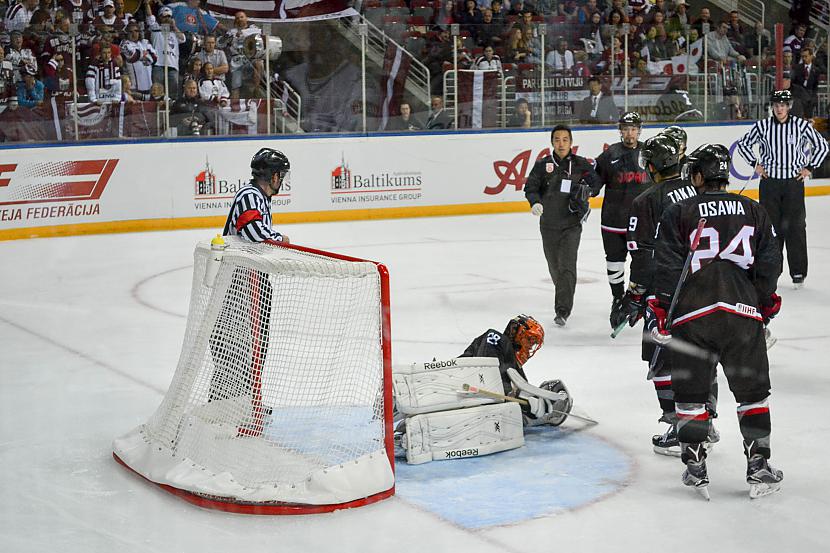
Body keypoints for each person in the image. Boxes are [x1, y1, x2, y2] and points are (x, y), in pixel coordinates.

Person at [651, 144, 783, 499]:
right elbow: (769, 264)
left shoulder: (679, 211)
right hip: (742, 314)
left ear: (697, 176)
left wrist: (662, 311)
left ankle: (695, 466)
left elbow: (665, 267)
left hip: (693, 314)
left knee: (692, 394)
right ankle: (758, 467)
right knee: (753, 394)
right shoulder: (754, 210)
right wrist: (763, 305)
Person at [624, 131, 719, 456]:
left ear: (651, 166)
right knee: (702, 356)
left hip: (667, 295)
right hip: (707, 288)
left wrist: (633, 297)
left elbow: (643, 260)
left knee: (662, 360)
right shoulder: (696, 191)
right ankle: (705, 419)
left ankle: (680, 429)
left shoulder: (646, 201)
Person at [735, 89, 829, 289]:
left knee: (796, 228)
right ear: (772, 107)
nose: (780, 108)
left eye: (783, 105)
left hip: (793, 184)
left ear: (789, 106)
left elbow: (822, 146)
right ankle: (770, 271)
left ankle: (798, 273)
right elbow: (743, 145)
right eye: (776, 105)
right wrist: (755, 164)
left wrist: (809, 168)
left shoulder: (800, 126)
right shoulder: (763, 126)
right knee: (770, 229)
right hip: (770, 185)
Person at [525, 124, 601, 327]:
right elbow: (530, 187)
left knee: (567, 266)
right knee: (555, 268)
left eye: (565, 139)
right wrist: (535, 202)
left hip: (571, 225)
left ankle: (562, 310)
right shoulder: (542, 165)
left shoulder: (580, 164)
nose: (561, 143)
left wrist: (588, 191)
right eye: (557, 139)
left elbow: (596, 183)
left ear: (571, 142)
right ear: (552, 142)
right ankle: (563, 294)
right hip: (548, 225)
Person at [592, 112, 651, 329]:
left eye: (633, 128)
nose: (630, 133)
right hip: (613, 221)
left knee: (641, 264)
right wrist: (587, 189)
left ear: (639, 130)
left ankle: (636, 300)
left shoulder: (649, 153)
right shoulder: (610, 154)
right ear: (620, 130)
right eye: (626, 129)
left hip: (642, 222)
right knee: (614, 263)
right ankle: (617, 298)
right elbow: (595, 180)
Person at [459, 315, 572, 426]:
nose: (529, 347)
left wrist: (534, 409)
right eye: (529, 340)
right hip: (454, 384)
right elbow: (487, 373)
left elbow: (517, 413)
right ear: (515, 332)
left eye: (533, 344)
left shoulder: (515, 370)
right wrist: (518, 397)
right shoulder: (496, 339)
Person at [224, 148, 291, 243]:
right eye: (282, 175)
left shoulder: (261, 196)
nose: (282, 180)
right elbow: (254, 233)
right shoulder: (249, 195)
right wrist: (280, 238)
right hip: (236, 257)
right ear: (275, 177)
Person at [790, 47, 819, 118]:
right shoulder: (797, 68)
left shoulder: (816, 70)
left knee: (809, 117)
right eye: (802, 56)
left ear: (811, 56)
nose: (804, 58)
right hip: (799, 96)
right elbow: (793, 83)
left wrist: (814, 96)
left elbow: (815, 85)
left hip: (810, 97)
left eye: (806, 56)